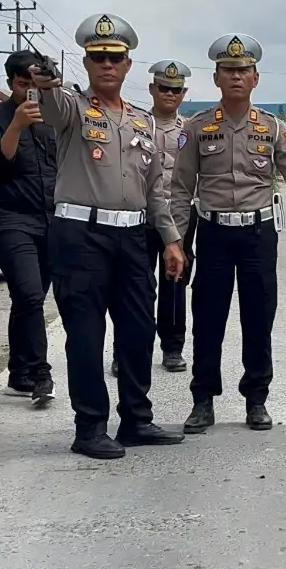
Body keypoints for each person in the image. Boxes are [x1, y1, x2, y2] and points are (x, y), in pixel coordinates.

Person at [169, 33, 286, 434]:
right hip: (213, 233)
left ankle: (256, 399)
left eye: (243, 70)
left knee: (259, 317)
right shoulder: (197, 128)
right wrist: (176, 242)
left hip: (258, 234)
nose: (236, 77)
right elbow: (180, 189)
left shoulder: (271, 127)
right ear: (216, 77)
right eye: (228, 70)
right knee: (208, 318)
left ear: (255, 78)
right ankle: (202, 400)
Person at [29, 13, 187, 460]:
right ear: (86, 61)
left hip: (133, 239)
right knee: (86, 332)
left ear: (128, 64)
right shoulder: (73, 110)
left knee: (138, 329)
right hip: (80, 236)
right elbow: (53, 102)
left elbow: (156, 187)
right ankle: (90, 426)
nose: (106, 65)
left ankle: (136, 420)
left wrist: (171, 239)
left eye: (114, 58)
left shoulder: (142, 122)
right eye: (98, 57)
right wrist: (45, 84)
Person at [0, 50, 57, 405]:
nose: (29, 91)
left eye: (35, 84)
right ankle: (40, 372)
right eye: (23, 83)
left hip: (52, 218)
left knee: (30, 298)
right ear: (11, 82)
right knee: (27, 293)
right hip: (12, 219)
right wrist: (18, 125)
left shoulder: (55, 117)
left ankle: (18, 371)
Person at [112, 59, 196, 376]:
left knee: (175, 284)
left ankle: (172, 348)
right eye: (163, 88)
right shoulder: (134, 123)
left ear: (183, 93)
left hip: (179, 216)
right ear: (152, 89)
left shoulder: (190, 130)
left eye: (175, 89)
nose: (169, 94)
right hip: (141, 216)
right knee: (134, 287)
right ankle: (125, 351)